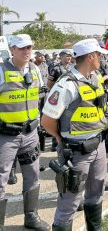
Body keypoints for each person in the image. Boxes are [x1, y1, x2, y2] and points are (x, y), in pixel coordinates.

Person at [41, 38, 108, 230]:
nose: (101, 59)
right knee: (69, 203)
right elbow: (46, 121)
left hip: (98, 145)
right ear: (90, 56)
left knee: (96, 195)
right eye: (99, 55)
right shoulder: (66, 84)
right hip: (76, 152)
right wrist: (60, 138)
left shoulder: (94, 77)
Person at [0, 34, 49, 230]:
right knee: (1, 179)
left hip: (30, 134)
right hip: (5, 137)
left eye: (29, 47)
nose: (26, 51)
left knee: (32, 175)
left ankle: (31, 217)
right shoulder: (2, 70)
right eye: (21, 48)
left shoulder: (35, 70)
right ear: (12, 49)